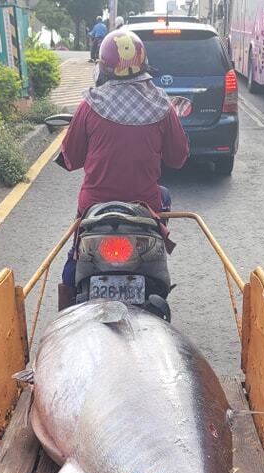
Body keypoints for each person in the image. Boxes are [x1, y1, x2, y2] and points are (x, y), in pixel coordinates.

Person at [57, 29, 189, 307]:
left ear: (103, 66)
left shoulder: (89, 105)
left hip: (94, 209)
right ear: (143, 63)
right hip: (145, 207)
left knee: (73, 261)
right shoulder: (163, 105)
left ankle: (66, 311)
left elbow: (71, 159)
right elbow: (178, 159)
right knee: (162, 194)